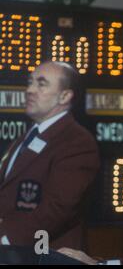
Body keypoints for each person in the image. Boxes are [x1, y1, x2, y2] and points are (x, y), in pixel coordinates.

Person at [0, 61, 99, 250]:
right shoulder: (25, 137)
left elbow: (58, 208)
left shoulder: (77, 142)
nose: (30, 89)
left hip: (43, 255)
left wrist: (6, 239)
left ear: (64, 96)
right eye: (30, 82)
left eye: (41, 84)